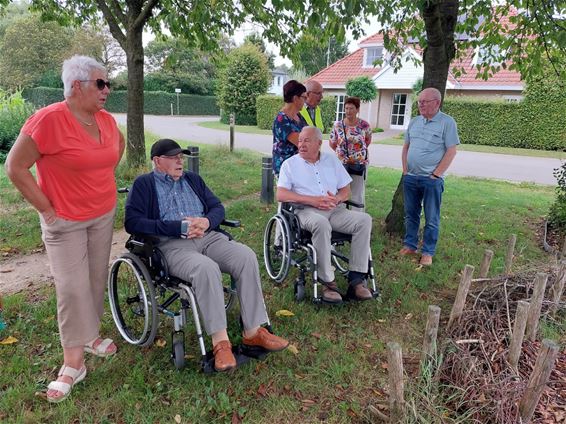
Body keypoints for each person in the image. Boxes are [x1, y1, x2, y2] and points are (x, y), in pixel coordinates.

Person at [5, 55, 125, 402]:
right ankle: (74, 363)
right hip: (65, 220)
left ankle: (89, 336)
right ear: (77, 86)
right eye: (101, 84)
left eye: (108, 83)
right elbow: (15, 167)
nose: (107, 90)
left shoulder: (105, 120)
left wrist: (96, 179)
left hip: (102, 212)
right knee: (71, 287)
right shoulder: (47, 121)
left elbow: (114, 151)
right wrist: (46, 208)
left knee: (93, 278)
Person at [125, 138, 289, 372]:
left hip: (207, 237)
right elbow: (132, 222)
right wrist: (176, 227)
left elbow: (217, 208)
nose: (180, 161)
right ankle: (220, 343)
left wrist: (206, 220)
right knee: (206, 268)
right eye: (173, 157)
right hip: (172, 245)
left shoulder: (193, 180)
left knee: (245, 256)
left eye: (181, 157)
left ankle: (252, 331)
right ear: (157, 161)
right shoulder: (144, 184)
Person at [276, 126, 374, 303]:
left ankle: (356, 280)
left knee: (364, 220)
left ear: (319, 143)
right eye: (300, 140)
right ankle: (328, 282)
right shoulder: (290, 164)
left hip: (335, 210)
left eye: (307, 140)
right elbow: (281, 195)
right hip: (306, 211)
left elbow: (346, 190)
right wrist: (312, 200)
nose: (301, 144)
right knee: (321, 224)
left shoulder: (332, 161)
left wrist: (337, 199)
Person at [400, 87, 459, 266]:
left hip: (431, 180)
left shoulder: (447, 123)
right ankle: (410, 245)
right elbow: (406, 147)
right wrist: (404, 170)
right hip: (410, 177)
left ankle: (428, 252)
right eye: (419, 102)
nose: (421, 104)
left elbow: (451, 150)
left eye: (425, 102)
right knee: (411, 214)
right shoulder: (415, 122)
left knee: (431, 217)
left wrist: (436, 174)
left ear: (437, 103)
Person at [329, 96, 372, 211]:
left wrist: (356, 155)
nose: (348, 111)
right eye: (346, 108)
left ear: (357, 109)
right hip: (341, 164)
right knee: (341, 190)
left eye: (351, 108)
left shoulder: (365, 125)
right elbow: (332, 143)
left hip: (359, 164)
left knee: (357, 192)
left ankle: (358, 217)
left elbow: (367, 142)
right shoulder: (338, 125)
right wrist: (342, 155)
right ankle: (341, 216)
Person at [272, 80, 306, 175]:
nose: (305, 100)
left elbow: (308, 135)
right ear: (295, 98)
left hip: (298, 166)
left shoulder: (299, 116)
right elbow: (302, 142)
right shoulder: (282, 119)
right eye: (304, 97)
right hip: (286, 169)